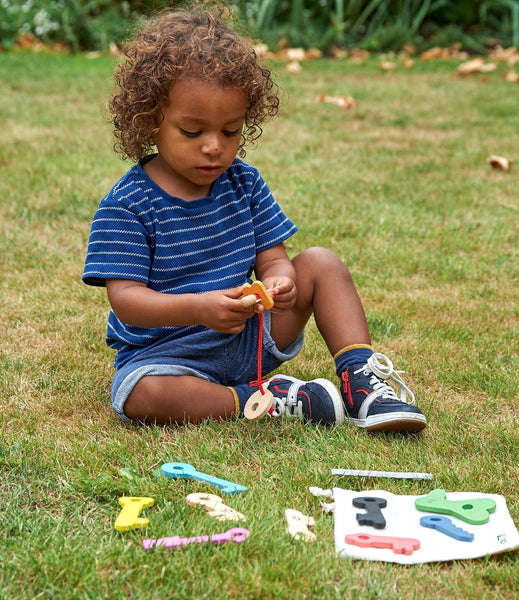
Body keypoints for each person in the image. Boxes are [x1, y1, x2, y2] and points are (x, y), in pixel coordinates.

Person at [82, 8, 426, 434]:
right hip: (170, 355)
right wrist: (199, 309)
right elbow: (127, 300)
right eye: (193, 132)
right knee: (139, 395)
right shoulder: (128, 205)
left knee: (320, 263)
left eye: (230, 131)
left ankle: (361, 382)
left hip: (251, 339)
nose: (214, 147)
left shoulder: (243, 183)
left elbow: (274, 259)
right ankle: (268, 400)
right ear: (151, 119)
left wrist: (282, 281)